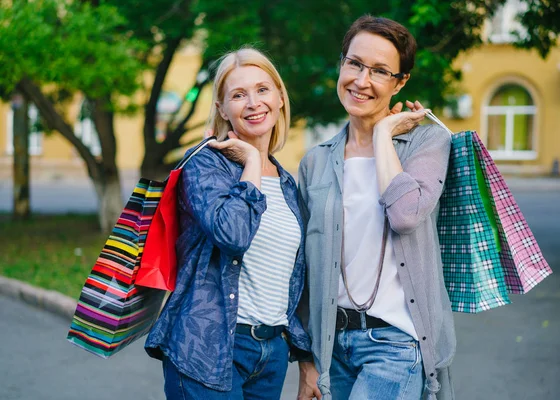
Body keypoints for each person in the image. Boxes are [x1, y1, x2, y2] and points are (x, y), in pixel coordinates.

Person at [296, 15, 456, 400]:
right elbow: (302, 268)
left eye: (380, 71)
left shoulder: (426, 143)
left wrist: (384, 132)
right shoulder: (315, 161)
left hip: (395, 345)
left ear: (400, 82)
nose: (361, 80)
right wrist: (306, 361)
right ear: (342, 64)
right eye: (354, 63)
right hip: (330, 349)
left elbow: (404, 217)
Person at [145, 47, 312, 399]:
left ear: (280, 97)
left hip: (270, 356)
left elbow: (291, 278)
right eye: (238, 95)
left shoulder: (286, 182)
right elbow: (234, 234)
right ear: (222, 108)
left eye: (263, 90)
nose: (253, 102)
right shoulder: (205, 166)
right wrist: (252, 160)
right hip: (207, 349)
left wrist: (303, 357)